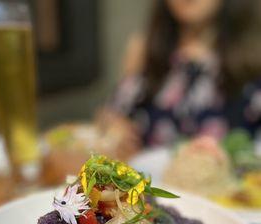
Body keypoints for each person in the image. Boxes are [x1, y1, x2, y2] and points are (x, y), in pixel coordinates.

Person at [108, 0, 261, 147]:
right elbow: (113, 117)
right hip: (150, 171)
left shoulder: (253, 58)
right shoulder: (146, 50)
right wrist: (115, 131)